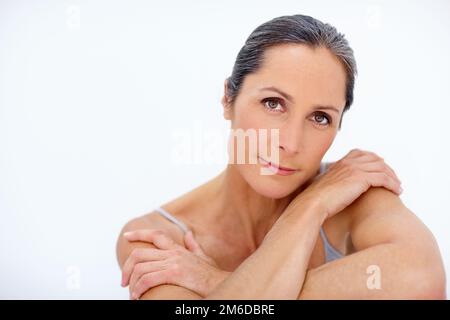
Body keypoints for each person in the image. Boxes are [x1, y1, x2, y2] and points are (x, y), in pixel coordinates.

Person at [116, 14, 446, 299]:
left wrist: (214, 282)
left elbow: (421, 280)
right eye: (273, 103)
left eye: (320, 118)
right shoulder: (156, 240)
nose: (289, 143)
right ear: (228, 99)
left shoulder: (354, 197)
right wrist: (310, 207)